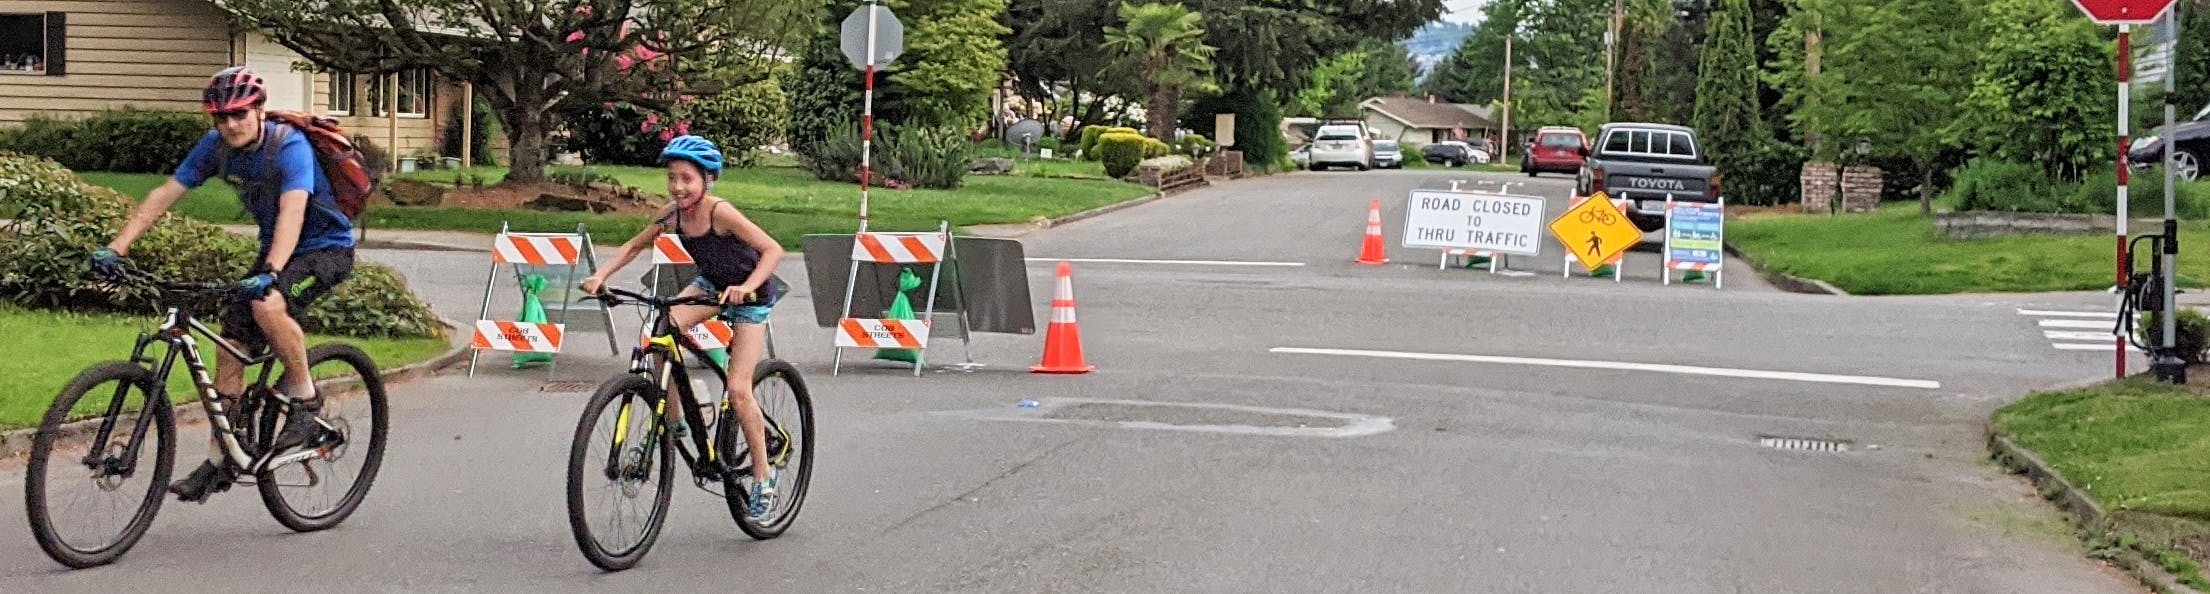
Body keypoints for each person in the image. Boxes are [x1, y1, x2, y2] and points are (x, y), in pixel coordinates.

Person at [89, 66, 357, 502]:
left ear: (259, 111)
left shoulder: (288, 147)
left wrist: (269, 273)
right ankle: (222, 458)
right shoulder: (216, 148)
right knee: (229, 345)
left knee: (268, 305)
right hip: (276, 251)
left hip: (324, 248)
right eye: (221, 117)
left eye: (239, 114)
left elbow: (293, 212)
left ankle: (306, 402)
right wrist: (117, 247)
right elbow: (165, 194)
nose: (230, 124)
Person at [581, 135, 789, 519]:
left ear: (707, 180)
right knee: (658, 336)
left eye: (687, 179)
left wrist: (746, 287)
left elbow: (773, 249)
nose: (678, 186)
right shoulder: (671, 215)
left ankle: (764, 478)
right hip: (711, 285)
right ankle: (674, 420)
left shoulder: (720, 213)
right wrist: (600, 275)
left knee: (739, 388)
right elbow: (633, 245)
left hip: (751, 295)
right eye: (672, 178)